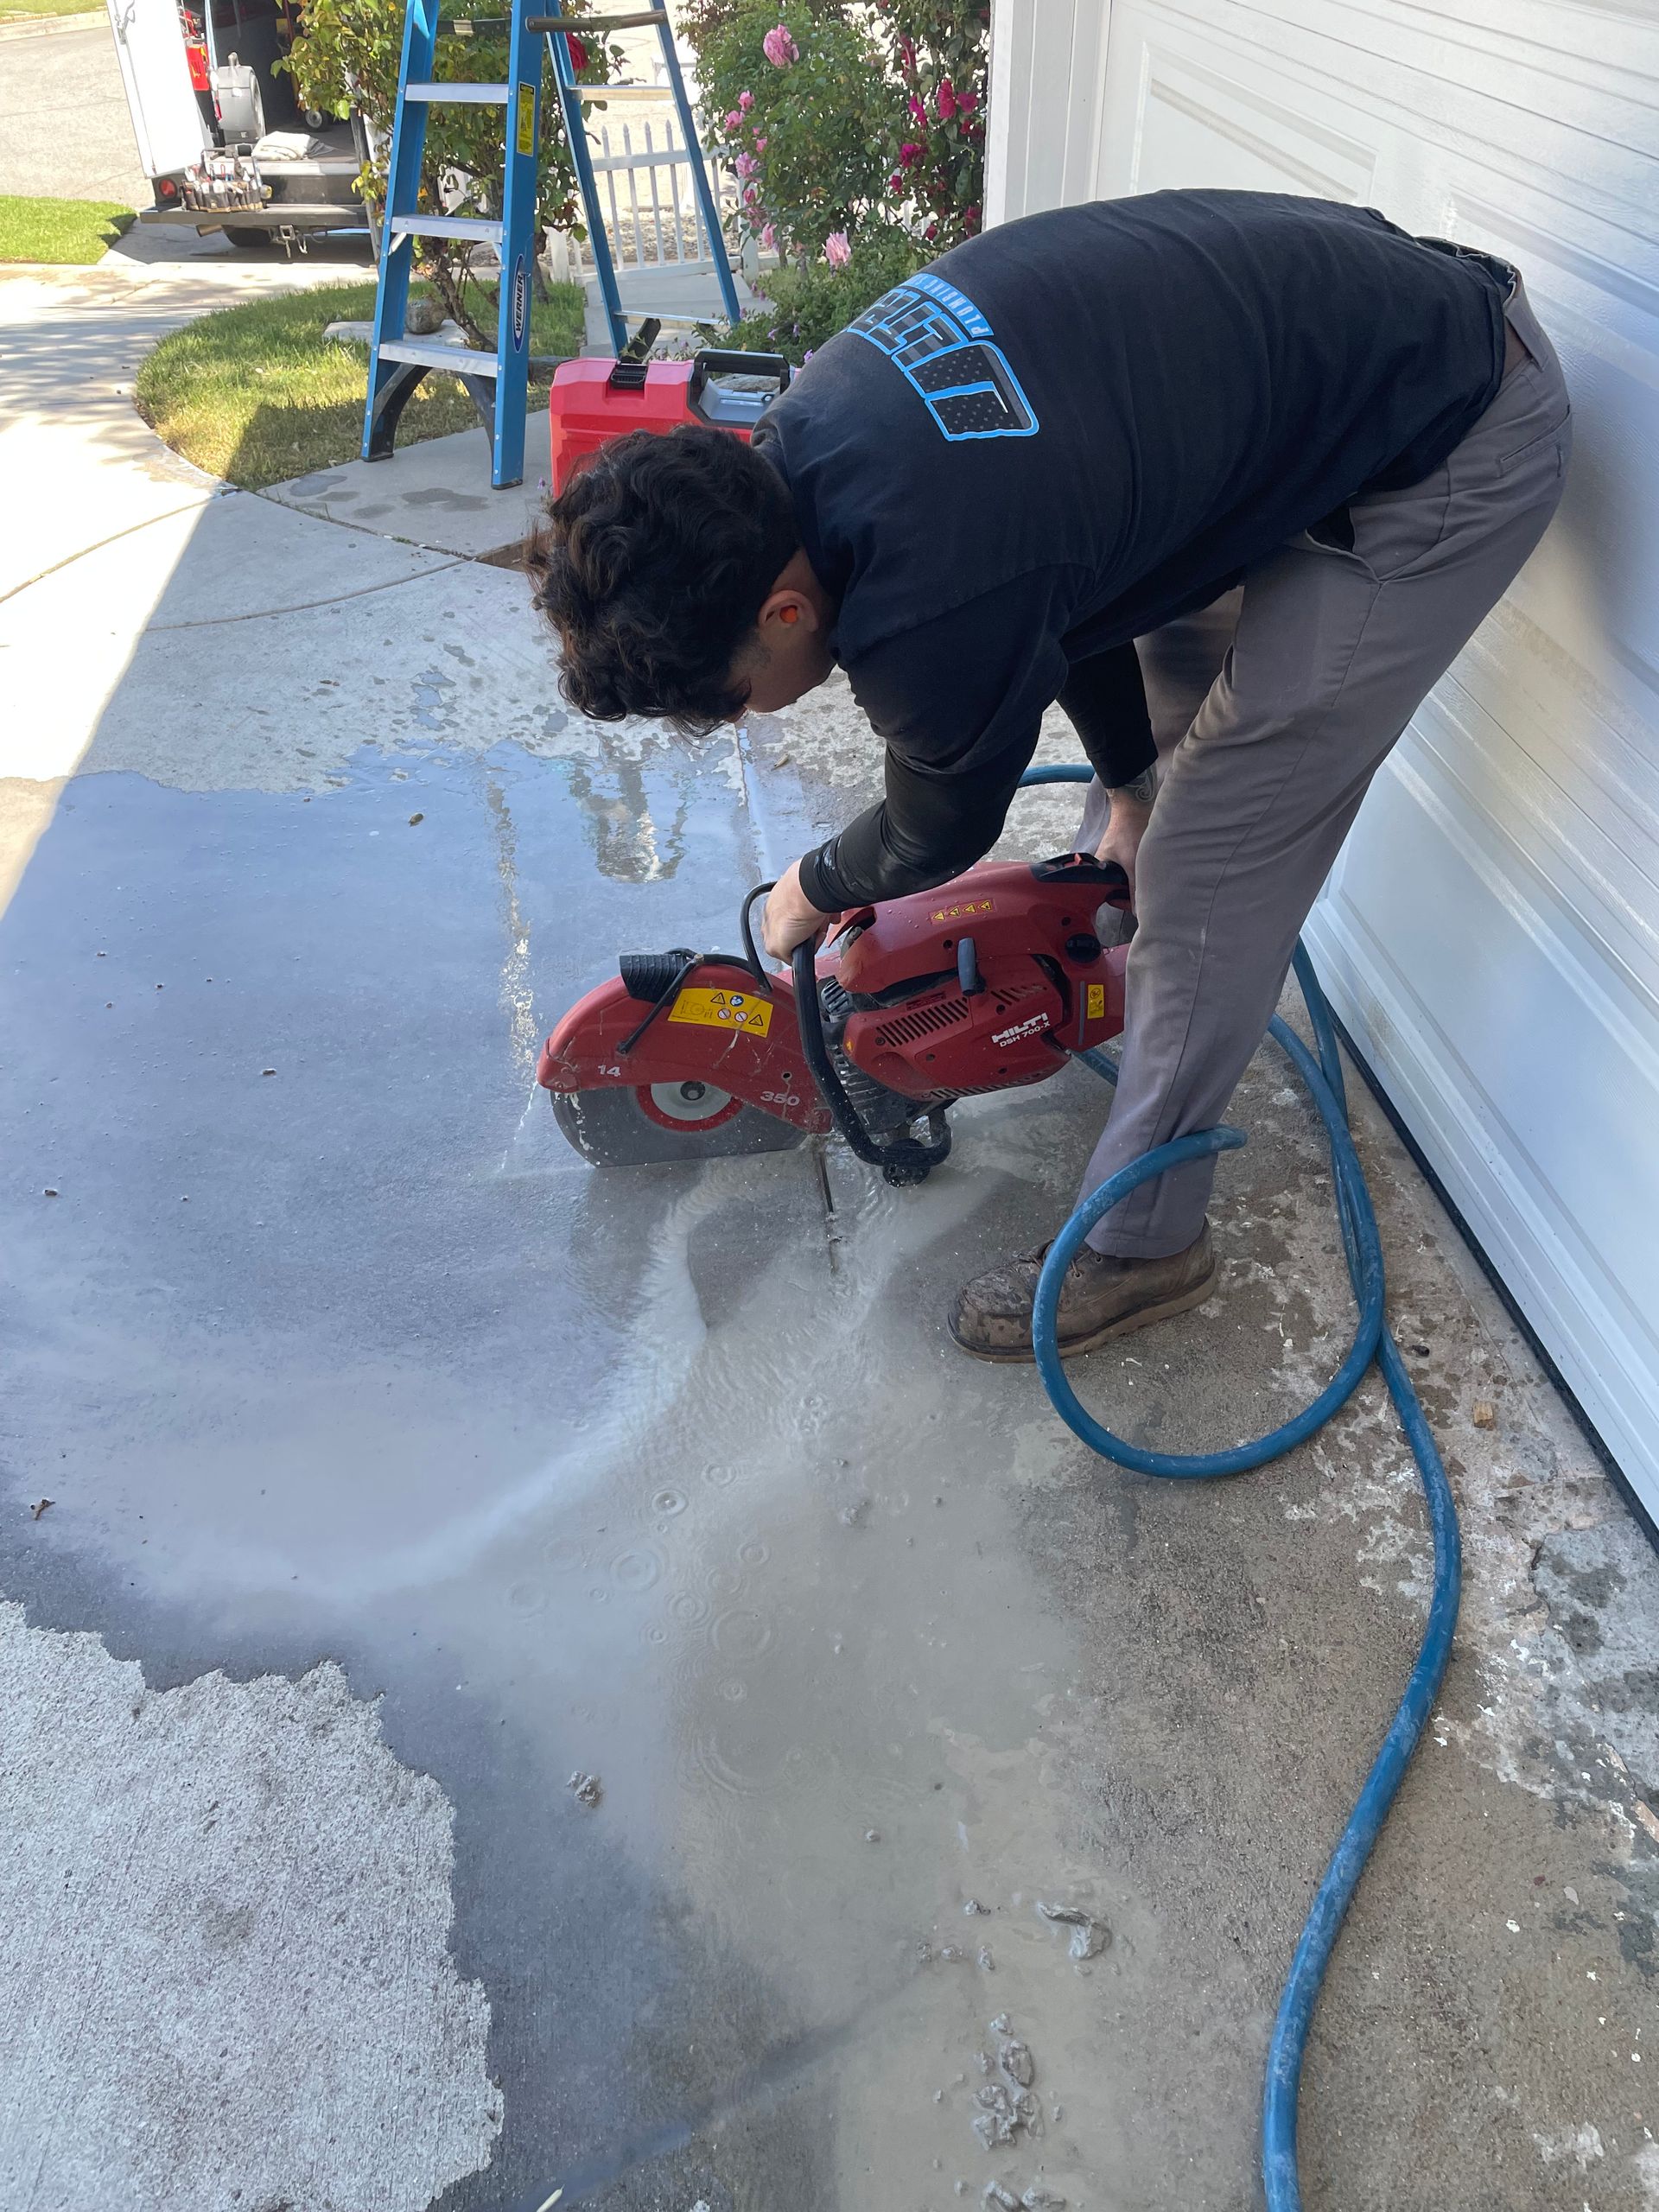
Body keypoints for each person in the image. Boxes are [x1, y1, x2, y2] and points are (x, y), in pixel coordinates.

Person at [526, 188, 1571, 1363]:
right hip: (1337, 348)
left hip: (1450, 432)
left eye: (727, 701)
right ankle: (1148, 993)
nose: (743, 722)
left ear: (784, 608)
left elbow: (934, 828)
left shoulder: (928, 601)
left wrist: (807, 891)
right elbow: (1070, 585)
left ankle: (1146, 1244)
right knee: (1163, 778)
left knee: (1210, 862)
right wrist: (1127, 785)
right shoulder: (812, 433)